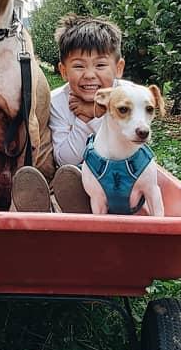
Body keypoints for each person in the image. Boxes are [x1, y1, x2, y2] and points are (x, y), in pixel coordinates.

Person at [11, 14, 132, 212]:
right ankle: (47, 208)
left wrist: (93, 114)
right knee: (67, 179)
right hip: (75, 179)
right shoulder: (58, 102)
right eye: (78, 66)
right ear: (64, 71)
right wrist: (82, 121)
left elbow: (127, 148)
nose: (89, 75)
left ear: (118, 68)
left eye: (100, 65)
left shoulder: (129, 97)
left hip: (119, 178)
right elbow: (65, 159)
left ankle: (68, 207)